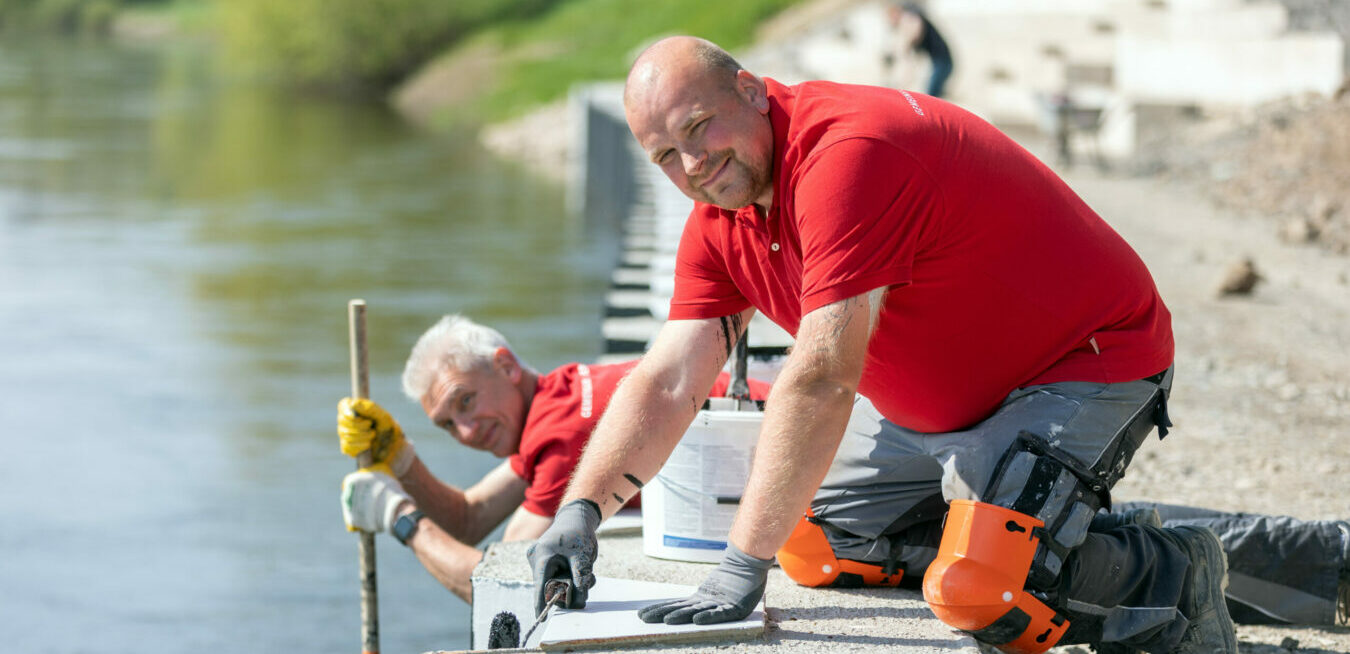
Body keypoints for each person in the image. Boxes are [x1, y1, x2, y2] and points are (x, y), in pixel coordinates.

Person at [524, 36, 1231, 653]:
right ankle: (1039, 532)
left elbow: (823, 376)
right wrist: (581, 511)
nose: (694, 164)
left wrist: (740, 567)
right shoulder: (722, 219)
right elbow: (669, 380)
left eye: (700, 127)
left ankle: (1172, 575)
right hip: (933, 407)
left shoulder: (846, 154)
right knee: (815, 547)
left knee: (981, 591)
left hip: (1082, 362)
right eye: (666, 157)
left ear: (750, 89)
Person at [336, 314, 768, 602]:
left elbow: (499, 583)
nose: (466, 432)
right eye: (447, 425)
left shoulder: (562, 435)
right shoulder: (555, 398)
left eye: (465, 402)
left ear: (505, 366)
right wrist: (400, 459)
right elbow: (469, 518)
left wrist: (399, 518)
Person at [884, 2, 953, 98]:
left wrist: (905, 47)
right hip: (939, 59)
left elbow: (913, 35)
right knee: (932, 92)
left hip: (943, 60)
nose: (890, 20)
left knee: (931, 94)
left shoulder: (909, 19)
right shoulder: (907, 20)